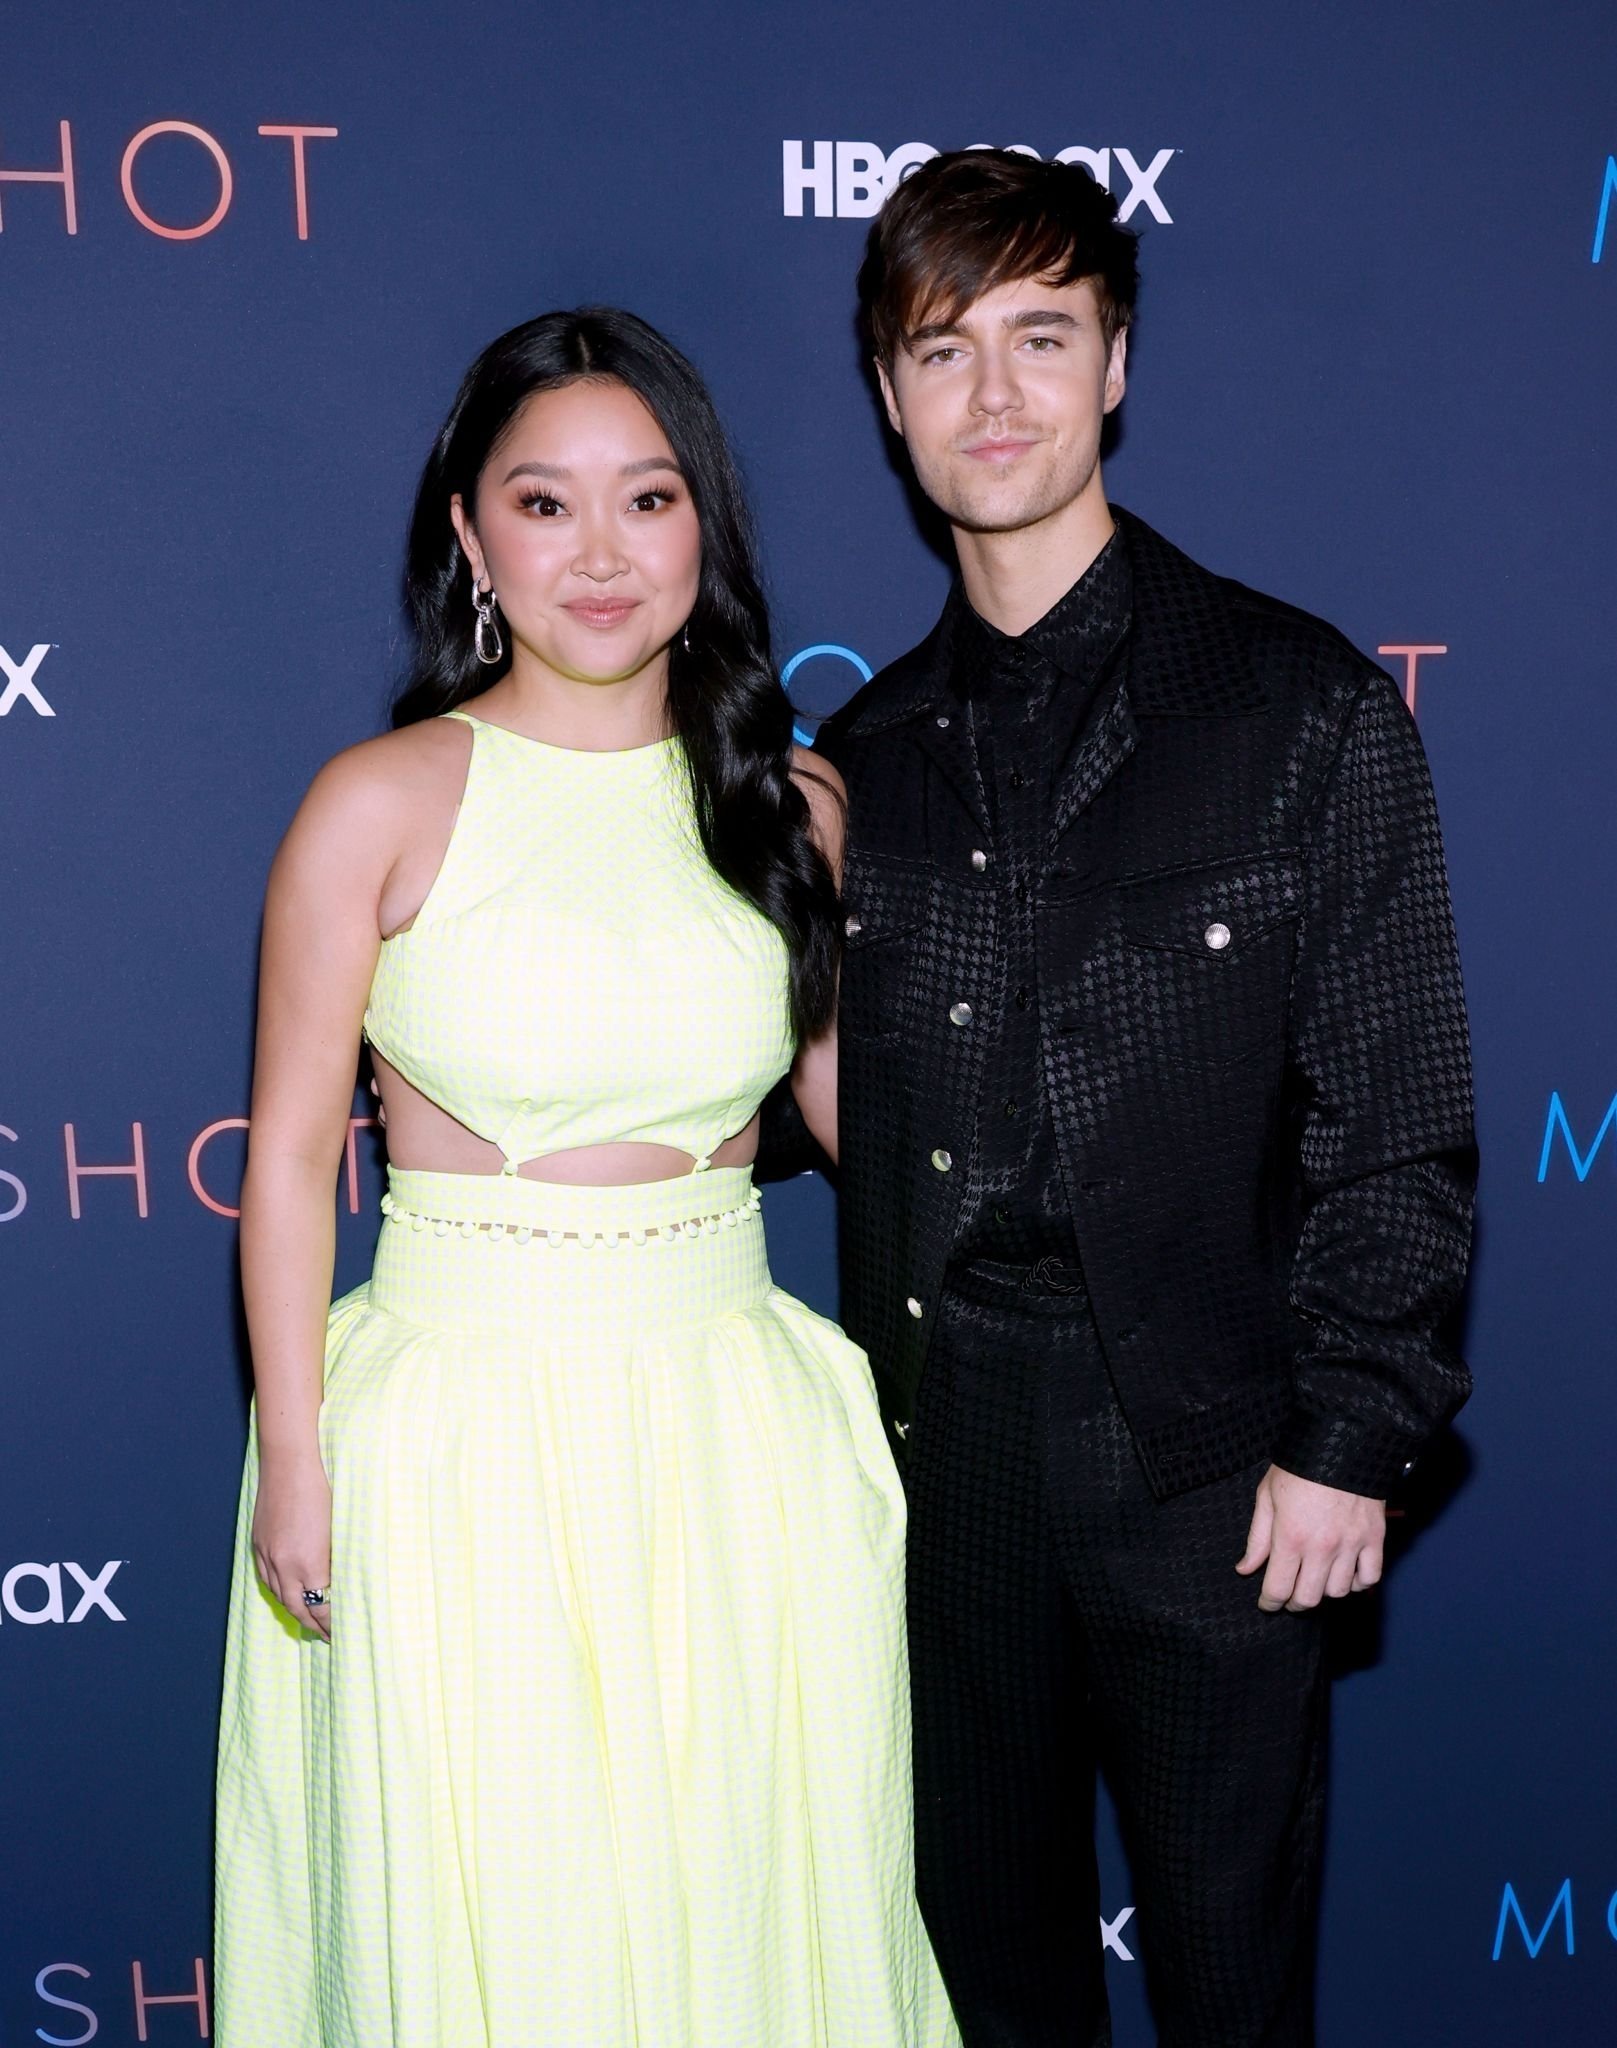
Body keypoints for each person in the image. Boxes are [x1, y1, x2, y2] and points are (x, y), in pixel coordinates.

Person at [769, 151, 1477, 2045]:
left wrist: (1352, 1434)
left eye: (1039, 336)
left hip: (1211, 1462)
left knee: (1233, 1991)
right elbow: (807, 1109)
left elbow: (1396, 1108)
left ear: (1115, 364)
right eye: (942, 350)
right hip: (944, 1466)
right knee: (991, 1990)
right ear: (888, 394)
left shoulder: (1296, 707)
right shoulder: (864, 760)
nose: (992, 393)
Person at [213, 307, 959, 2048]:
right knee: (500, 1917)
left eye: (649, 498)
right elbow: (292, 1160)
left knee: (748, 1906)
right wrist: (297, 1459)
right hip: (456, 1438)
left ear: (705, 528)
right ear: (470, 541)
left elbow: (861, 1124)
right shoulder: (379, 804)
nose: (602, 554)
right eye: (543, 504)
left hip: (737, 1434)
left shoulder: (795, 808)